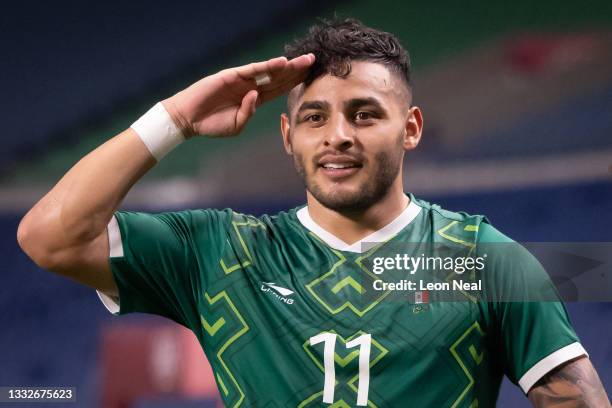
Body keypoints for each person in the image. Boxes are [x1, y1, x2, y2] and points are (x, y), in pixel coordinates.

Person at [17, 18, 610, 407]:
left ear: (411, 128)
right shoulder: (220, 252)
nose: (338, 136)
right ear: (287, 136)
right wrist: (175, 118)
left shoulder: (482, 260)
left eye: (365, 113)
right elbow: (52, 236)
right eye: (314, 117)